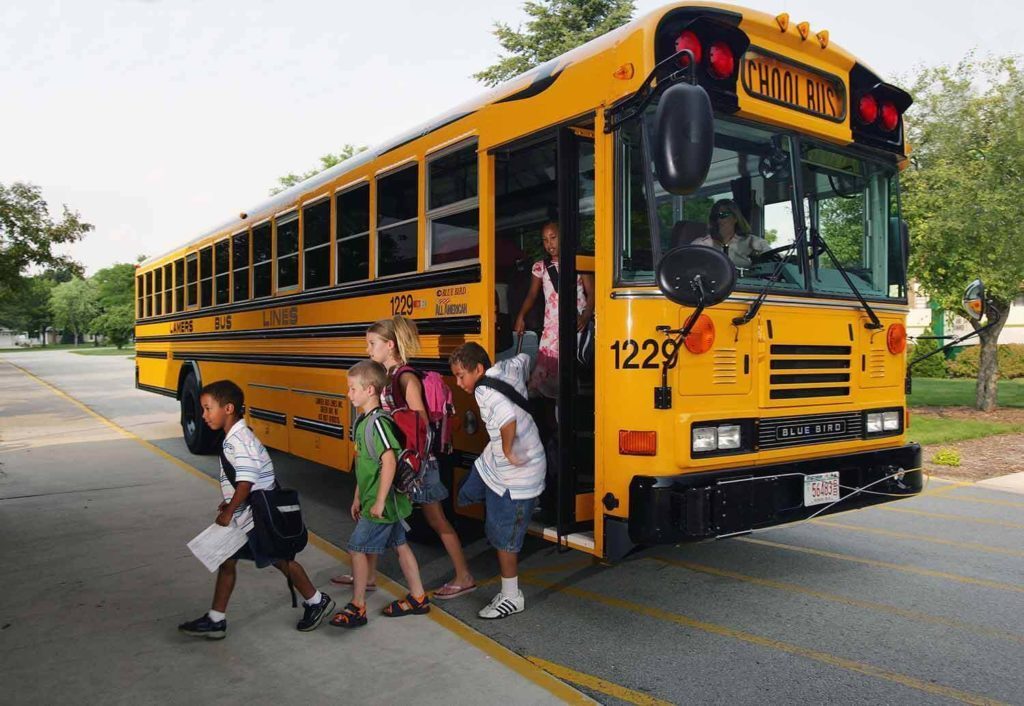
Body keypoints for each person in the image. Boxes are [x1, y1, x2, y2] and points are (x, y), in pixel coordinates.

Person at [331, 316, 476, 600]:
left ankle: (464, 575)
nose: (367, 350)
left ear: (390, 345)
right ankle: (367, 575)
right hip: (396, 462)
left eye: (372, 344)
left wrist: (411, 465)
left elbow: (420, 425)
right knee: (380, 513)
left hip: (415, 465)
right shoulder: (383, 377)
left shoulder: (405, 378)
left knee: (437, 519)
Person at [178, 380, 333, 639]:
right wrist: (231, 504)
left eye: (208, 408)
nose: (203, 415)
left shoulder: (238, 439)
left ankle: (317, 601)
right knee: (227, 559)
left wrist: (229, 511)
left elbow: (247, 480)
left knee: (281, 560)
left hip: (254, 518)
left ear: (228, 408)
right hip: (246, 515)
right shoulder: (237, 436)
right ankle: (216, 619)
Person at [329, 360, 430, 627]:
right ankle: (419, 597)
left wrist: (380, 500)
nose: (349, 394)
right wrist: (357, 496)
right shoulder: (363, 422)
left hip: (382, 502)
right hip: (376, 499)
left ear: (370, 390)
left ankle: (358, 605)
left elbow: (389, 460)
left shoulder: (378, 424)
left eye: (353, 389)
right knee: (400, 544)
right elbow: (364, 465)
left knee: (357, 549)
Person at [449, 342, 546, 619]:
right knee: (465, 493)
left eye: (461, 375)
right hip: (493, 465)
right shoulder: (505, 368)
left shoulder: (483, 390)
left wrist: (506, 449)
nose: (458, 383)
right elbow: (525, 357)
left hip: (516, 476)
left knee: (504, 538)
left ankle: (512, 595)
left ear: (478, 369)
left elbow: (506, 420)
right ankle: (504, 514)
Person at [512, 221, 595, 402]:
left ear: (562, 236)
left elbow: (592, 293)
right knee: (548, 383)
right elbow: (532, 295)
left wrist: (586, 315)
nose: (549, 244)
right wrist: (521, 316)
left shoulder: (579, 261)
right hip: (551, 331)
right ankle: (554, 426)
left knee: (570, 379)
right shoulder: (540, 267)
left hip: (575, 326)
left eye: (553, 238)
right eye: (545, 240)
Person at [691, 199, 771, 268]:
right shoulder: (701, 245)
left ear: (735, 218)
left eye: (723, 215)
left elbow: (774, 265)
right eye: (715, 216)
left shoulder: (752, 242)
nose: (718, 220)